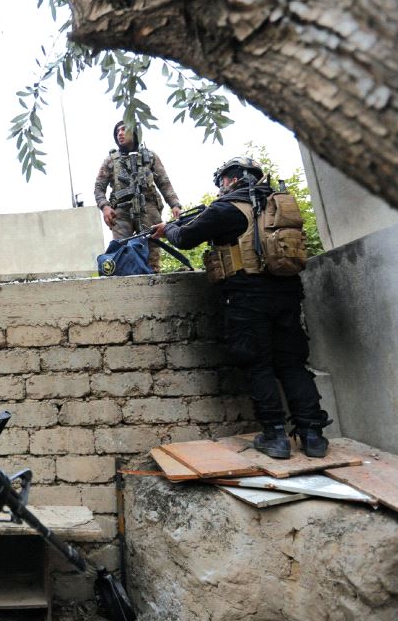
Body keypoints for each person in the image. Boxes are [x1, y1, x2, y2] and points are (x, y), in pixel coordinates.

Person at [150, 156, 331, 459]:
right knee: (292, 364)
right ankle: (313, 435)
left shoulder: (225, 209)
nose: (221, 188)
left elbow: (185, 239)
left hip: (247, 299)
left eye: (221, 182)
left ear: (231, 180)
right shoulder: (278, 204)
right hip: (287, 295)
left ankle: (275, 436)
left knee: (257, 364)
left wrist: (168, 229)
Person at [94, 120, 183, 272]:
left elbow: (163, 182)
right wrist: (105, 207)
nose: (120, 134)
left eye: (123, 130)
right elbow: (99, 188)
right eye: (117, 132)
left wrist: (175, 204)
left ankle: (154, 280)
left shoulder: (150, 156)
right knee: (120, 252)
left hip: (147, 207)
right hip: (121, 212)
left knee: (152, 253)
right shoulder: (111, 160)